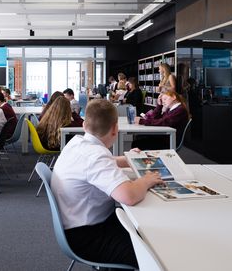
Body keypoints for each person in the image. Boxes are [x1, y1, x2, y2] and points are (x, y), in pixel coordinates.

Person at [51, 99, 162, 267]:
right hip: (89, 237)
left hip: (78, 225)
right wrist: (146, 180)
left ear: (84, 125)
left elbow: (98, 165)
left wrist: (127, 160)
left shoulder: (76, 143)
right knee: (153, 253)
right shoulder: (96, 156)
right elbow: (128, 196)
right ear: (115, 129)